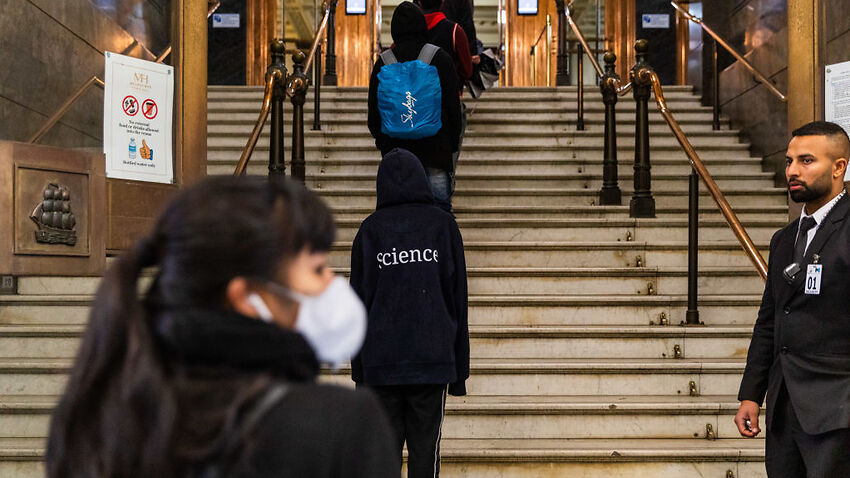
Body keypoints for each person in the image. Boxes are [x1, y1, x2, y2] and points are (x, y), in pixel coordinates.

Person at [46, 177, 399, 478]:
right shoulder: (344, 428)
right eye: (318, 269)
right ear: (246, 296)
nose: (333, 284)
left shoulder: (94, 423)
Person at [735, 121, 850, 477]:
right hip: (785, 410)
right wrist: (751, 395)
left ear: (839, 167)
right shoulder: (784, 240)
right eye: (788, 161)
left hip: (838, 411)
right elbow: (770, 319)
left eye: (806, 160)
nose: (793, 171)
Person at [349, 148, 469, 478]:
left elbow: (356, 305)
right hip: (431, 363)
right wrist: (458, 371)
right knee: (425, 458)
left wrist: (359, 371)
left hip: (380, 364)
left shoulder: (369, 232)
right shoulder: (443, 228)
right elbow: (458, 301)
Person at [368, 1, 462, 213]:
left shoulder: (384, 62)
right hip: (436, 152)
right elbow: (453, 108)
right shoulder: (439, 58)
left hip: (396, 156)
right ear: (422, 25)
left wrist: (383, 143)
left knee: (396, 212)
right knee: (439, 212)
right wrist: (451, 144)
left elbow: (373, 114)